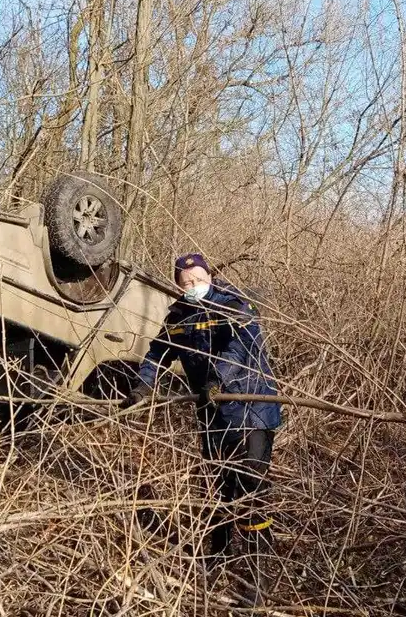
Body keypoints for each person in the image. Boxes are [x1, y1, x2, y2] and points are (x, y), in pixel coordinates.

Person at [129, 253, 280, 605]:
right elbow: (156, 354)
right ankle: (219, 553)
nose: (191, 286)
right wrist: (142, 386)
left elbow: (240, 348)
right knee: (219, 486)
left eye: (196, 278)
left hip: (250, 409)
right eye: (184, 282)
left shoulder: (234, 307)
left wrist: (217, 380)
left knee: (249, 489)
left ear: (208, 276)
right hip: (211, 413)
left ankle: (258, 573)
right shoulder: (179, 317)